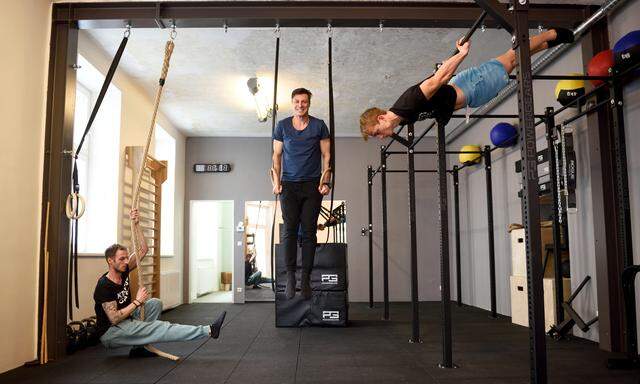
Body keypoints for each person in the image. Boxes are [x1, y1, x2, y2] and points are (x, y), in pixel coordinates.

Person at [359, 28, 575, 139]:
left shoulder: (406, 104)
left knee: (511, 58)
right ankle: (552, 40)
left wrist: (462, 54)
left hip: (471, 86)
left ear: (381, 118)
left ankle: (553, 33)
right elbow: (434, 80)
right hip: (469, 91)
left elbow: (439, 79)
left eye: (377, 132)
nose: (380, 137)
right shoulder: (402, 119)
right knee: (515, 61)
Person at [94, 208, 227, 358]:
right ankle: (208, 330)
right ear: (110, 261)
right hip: (112, 331)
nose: (126, 261)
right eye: (121, 259)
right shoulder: (104, 285)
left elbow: (143, 250)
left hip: (126, 319)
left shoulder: (123, 270)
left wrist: (137, 224)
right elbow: (114, 318)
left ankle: (139, 347)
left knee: (154, 304)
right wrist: (137, 301)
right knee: (159, 327)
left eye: (126, 258)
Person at [272, 88, 331, 300]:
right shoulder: (282, 126)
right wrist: (276, 182)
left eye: (304, 102)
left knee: (308, 232)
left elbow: (327, 155)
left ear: (309, 103)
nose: (300, 105)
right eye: (297, 101)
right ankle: (290, 277)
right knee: (289, 230)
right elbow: (276, 156)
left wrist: (326, 181)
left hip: (312, 185)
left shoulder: (319, 125)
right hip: (288, 185)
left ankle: (305, 278)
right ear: (292, 102)